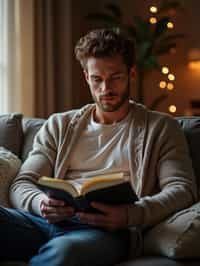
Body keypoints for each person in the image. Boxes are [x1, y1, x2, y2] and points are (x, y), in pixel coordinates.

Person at [0, 28, 197, 265]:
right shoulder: (59, 125)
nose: (106, 89)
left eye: (115, 77)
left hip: (108, 232)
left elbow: (182, 189)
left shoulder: (161, 128)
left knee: (65, 252)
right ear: (86, 77)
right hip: (45, 222)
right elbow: (23, 182)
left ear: (131, 73)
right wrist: (39, 203)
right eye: (97, 79)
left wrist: (129, 215)